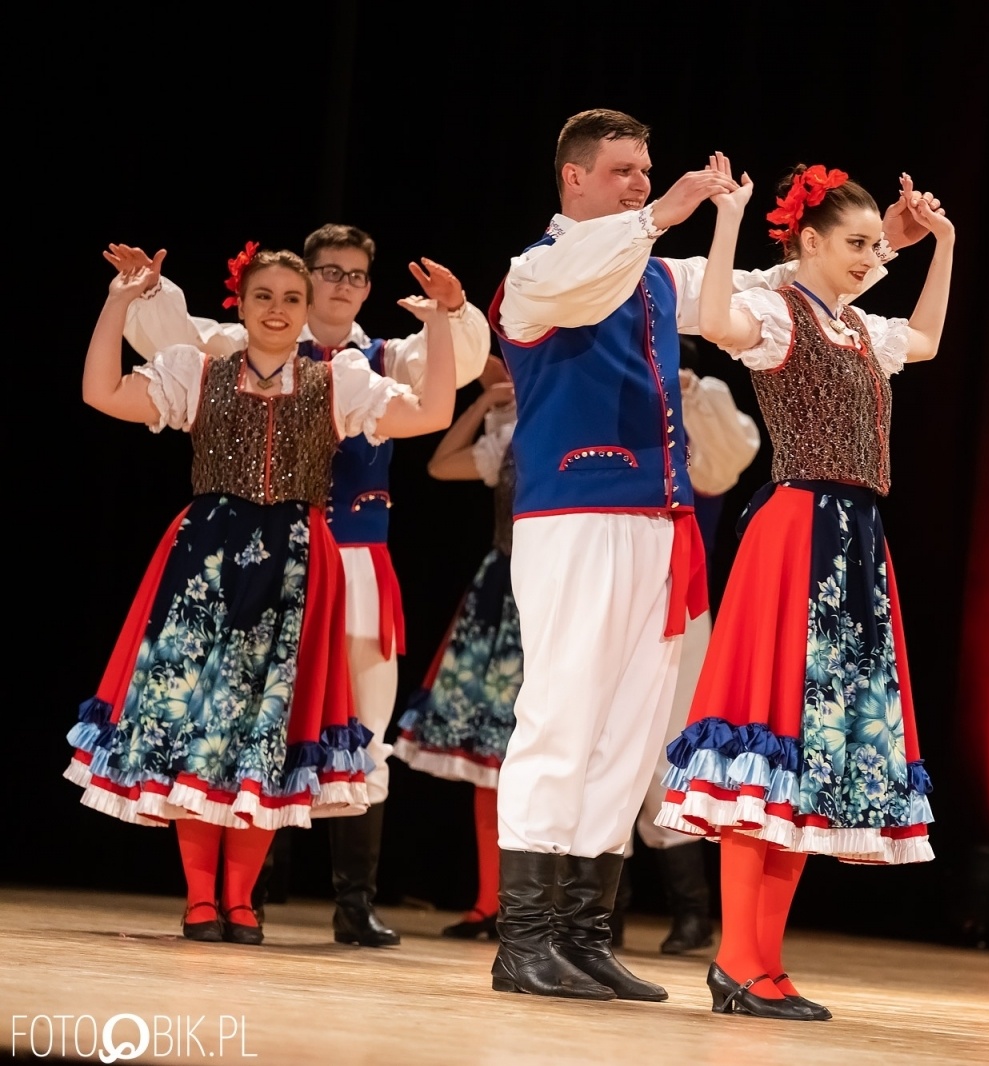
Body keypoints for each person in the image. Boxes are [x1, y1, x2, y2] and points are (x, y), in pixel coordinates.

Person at [487, 109, 937, 1004]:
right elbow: (584, 274)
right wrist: (658, 216)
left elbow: (782, 283)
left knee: (631, 729)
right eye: (621, 171)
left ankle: (582, 934)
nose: (640, 184)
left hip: (658, 521)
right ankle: (525, 940)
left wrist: (883, 238)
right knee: (562, 713)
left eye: (645, 171)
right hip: (574, 511)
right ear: (573, 177)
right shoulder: (538, 271)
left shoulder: (660, 274)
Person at [109, 226, 491, 947]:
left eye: (354, 275)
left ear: (367, 287)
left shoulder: (375, 362)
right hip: (252, 557)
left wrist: (447, 315)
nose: (340, 285)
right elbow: (166, 339)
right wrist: (145, 292)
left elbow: (452, 374)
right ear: (305, 281)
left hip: (351, 558)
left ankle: (353, 899)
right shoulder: (234, 348)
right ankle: (246, 890)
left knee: (351, 724)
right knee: (240, 716)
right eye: (328, 273)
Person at [653, 155, 953, 1022]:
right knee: (771, 737)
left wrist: (944, 245)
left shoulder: (863, 333)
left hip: (856, 540)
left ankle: (762, 963)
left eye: (874, 245)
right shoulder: (780, 318)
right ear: (811, 242)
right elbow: (711, 317)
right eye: (856, 244)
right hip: (796, 533)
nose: (870, 257)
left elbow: (926, 339)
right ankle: (739, 961)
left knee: (811, 750)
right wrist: (730, 220)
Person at [619, 349, 763, 955]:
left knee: (666, 754)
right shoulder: (621, 420)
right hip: (613, 597)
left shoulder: (698, 428)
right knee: (607, 749)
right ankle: (600, 913)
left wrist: (693, 390)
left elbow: (735, 455)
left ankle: (692, 913)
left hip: (679, 606)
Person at [392, 354, 520, 940]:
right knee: (486, 755)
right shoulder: (507, 436)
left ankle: (535, 905)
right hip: (502, 594)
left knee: (536, 755)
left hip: (552, 593)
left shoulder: (564, 426)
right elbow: (441, 464)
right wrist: (480, 406)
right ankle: (487, 901)